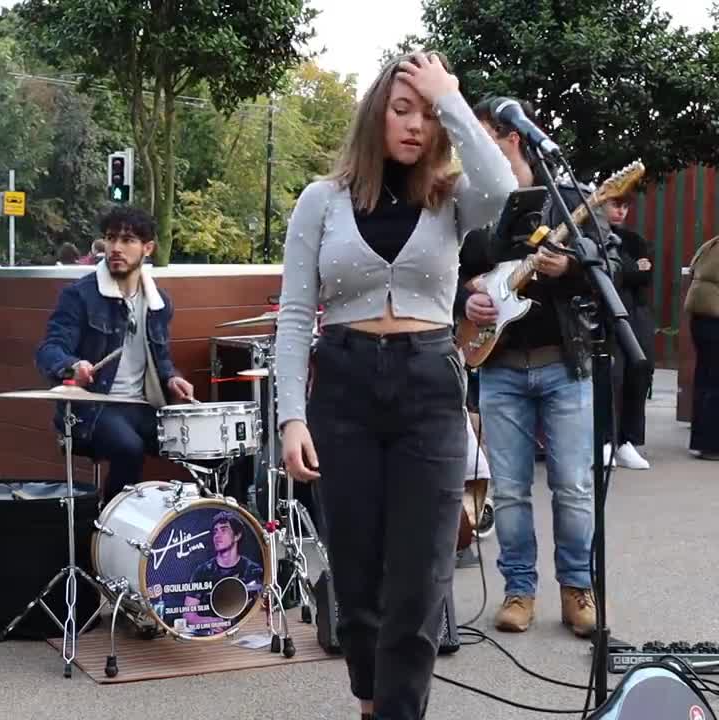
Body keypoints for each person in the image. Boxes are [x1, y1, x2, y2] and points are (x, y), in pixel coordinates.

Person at [276, 52, 515, 720]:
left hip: (429, 384)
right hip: (344, 386)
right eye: (402, 109)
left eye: (427, 114)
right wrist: (291, 417)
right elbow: (296, 315)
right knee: (357, 581)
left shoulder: (451, 198)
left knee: (419, 582)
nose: (415, 125)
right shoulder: (321, 201)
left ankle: (397, 712)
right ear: (375, 114)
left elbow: (500, 188)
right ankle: (368, 701)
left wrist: (453, 99)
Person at [456, 95, 618, 639]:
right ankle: (519, 589)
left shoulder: (568, 197)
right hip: (498, 363)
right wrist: (466, 301)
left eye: (488, 141)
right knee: (509, 489)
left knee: (573, 485)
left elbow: (611, 263)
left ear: (514, 140)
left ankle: (577, 588)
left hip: (562, 363)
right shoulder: (474, 209)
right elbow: (449, 276)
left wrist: (570, 265)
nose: (477, 153)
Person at [35, 206, 195, 503]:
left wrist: (172, 378)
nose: (116, 248)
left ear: (147, 248)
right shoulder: (81, 295)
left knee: (210, 448)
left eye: (128, 240)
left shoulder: (159, 303)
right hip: (94, 409)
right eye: (111, 239)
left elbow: (160, 358)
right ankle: (108, 531)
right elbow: (48, 350)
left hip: (142, 407)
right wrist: (72, 366)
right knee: (128, 448)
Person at [606, 195, 655, 469]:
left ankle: (628, 441)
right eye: (615, 205)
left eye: (625, 206)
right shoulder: (592, 237)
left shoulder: (634, 240)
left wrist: (627, 270)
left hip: (635, 313)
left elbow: (644, 274)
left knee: (639, 370)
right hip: (605, 314)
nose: (620, 212)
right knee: (611, 375)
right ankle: (604, 440)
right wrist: (631, 268)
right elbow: (622, 273)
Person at [181, 511, 265, 633]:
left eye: (224, 530)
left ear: (237, 536)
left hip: (245, 632)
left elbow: (263, 608)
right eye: (215, 531)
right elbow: (188, 616)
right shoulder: (203, 571)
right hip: (212, 638)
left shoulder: (253, 570)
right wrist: (211, 622)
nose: (217, 535)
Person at [685, 235, 719, 460]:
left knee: (706, 379)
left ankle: (704, 441)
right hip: (714, 319)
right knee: (714, 383)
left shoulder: (712, 244)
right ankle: (711, 444)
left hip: (703, 319)